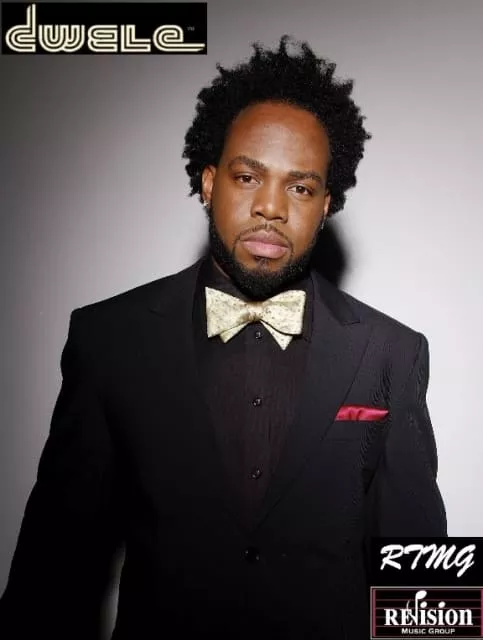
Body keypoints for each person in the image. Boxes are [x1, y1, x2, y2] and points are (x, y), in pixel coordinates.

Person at [0, 36, 447, 640]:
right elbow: (53, 567)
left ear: (326, 206)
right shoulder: (110, 338)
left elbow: (423, 586)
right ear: (209, 183)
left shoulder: (392, 351)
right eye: (247, 176)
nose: (271, 207)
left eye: (300, 187)